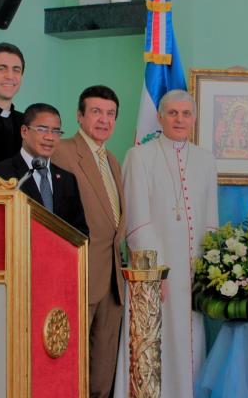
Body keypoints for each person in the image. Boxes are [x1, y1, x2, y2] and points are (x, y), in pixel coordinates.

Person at [114, 89, 219, 398]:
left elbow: (211, 218)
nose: (179, 119)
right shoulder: (139, 156)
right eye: (172, 113)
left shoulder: (205, 159)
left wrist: (208, 268)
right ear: (159, 117)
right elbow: (137, 219)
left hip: (194, 270)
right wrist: (154, 272)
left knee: (191, 338)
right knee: (155, 341)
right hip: (155, 271)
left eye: (186, 114)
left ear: (194, 118)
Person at [51, 85, 125, 398]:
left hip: (113, 281)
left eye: (110, 114)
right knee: (69, 369)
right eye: (96, 112)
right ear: (80, 116)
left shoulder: (113, 160)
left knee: (102, 373)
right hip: (77, 277)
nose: (103, 120)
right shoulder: (62, 151)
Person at [0, 103, 87, 234]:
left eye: (56, 131)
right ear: (24, 131)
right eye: (42, 129)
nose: (50, 137)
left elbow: (80, 231)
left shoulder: (67, 179)